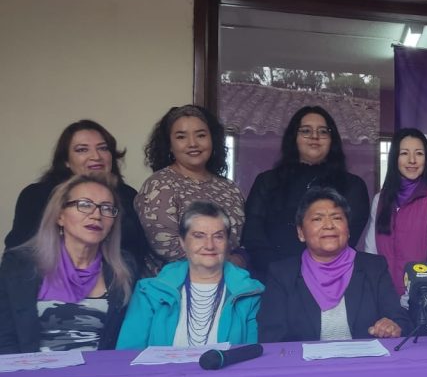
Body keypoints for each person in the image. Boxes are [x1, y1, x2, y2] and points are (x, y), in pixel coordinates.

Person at [0, 174, 135, 354]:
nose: (96, 215)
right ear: (60, 216)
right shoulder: (20, 264)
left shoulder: (124, 268)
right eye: (85, 205)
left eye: (107, 208)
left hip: (99, 375)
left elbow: (129, 341)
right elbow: (5, 338)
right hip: (33, 375)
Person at [257, 187, 410, 341]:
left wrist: (392, 326)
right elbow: (271, 336)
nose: (329, 225)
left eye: (337, 218)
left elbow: (400, 320)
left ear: (348, 230)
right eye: (318, 219)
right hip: (304, 364)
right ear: (301, 233)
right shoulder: (282, 274)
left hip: (363, 363)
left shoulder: (374, 267)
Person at [244, 106, 370, 281]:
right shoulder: (267, 182)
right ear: (293, 138)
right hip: (273, 279)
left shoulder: (352, 186)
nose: (315, 136)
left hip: (331, 282)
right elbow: (253, 235)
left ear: (332, 140)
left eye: (323, 131)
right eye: (306, 131)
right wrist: (281, 274)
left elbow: (345, 239)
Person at [117, 202, 263, 348]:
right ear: (182, 242)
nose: (209, 245)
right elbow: (127, 356)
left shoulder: (250, 293)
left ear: (227, 243)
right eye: (199, 236)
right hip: (159, 372)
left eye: (218, 236)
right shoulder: (149, 292)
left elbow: (251, 357)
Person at [5, 119, 147, 269]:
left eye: (103, 148)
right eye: (82, 150)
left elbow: (139, 251)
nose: (96, 156)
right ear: (66, 160)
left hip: (118, 282)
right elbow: (17, 254)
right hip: (48, 283)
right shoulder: (36, 195)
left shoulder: (128, 194)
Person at [136, 105, 246, 275]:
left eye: (201, 135)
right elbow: (167, 248)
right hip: (175, 290)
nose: (193, 144)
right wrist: (222, 265)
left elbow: (243, 242)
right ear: (170, 145)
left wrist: (239, 260)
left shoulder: (229, 188)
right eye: (181, 137)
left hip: (228, 287)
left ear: (213, 140)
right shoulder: (159, 185)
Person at [364, 127, 427, 294]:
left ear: (426, 159)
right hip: (384, 294)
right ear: (394, 158)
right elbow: (371, 251)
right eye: (404, 153)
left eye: (419, 153)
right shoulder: (379, 200)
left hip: (422, 293)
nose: (412, 160)